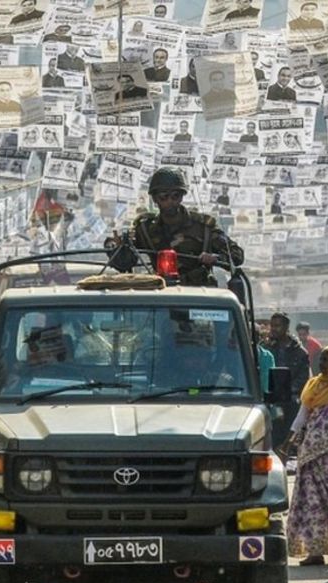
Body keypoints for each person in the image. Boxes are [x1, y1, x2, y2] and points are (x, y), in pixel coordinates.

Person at [278, 345, 328, 565]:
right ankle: (314, 552)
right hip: (310, 454)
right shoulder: (314, 384)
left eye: (327, 361)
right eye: (321, 360)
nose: (322, 365)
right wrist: (287, 442)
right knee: (311, 503)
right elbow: (302, 416)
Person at [105, 168, 244, 286]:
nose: (170, 202)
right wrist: (114, 246)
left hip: (199, 296)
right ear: (155, 199)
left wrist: (216, 258)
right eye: (164, 197)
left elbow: (237, 255)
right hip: (162, 295)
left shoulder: (203, 227)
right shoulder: (146, 229)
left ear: (182, 197)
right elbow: (125, 259)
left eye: (175, 196)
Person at [264, 312, 311, 447]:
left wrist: (286, 391)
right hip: (270, 399)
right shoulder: (266, 348)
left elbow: (303, 378)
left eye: (277, 326)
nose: (273, 329)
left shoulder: (299, 352)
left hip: (291, 400)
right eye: (272, 325)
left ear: (286, 327)